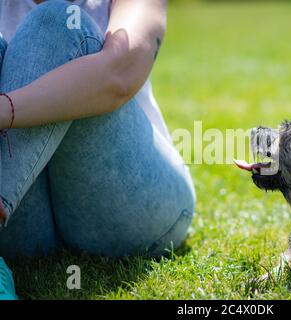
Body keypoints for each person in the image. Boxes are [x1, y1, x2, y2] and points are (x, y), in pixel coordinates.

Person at [0, 0, 195, 300]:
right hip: (24, 223)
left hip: (130, 204)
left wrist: (5, 109)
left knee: (59, 22)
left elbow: (119, 75)